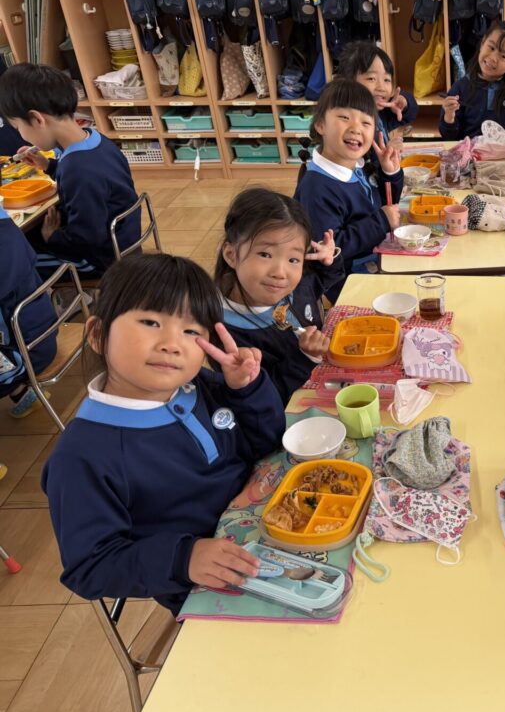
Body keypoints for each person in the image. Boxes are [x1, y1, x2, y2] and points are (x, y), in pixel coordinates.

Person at [41, 254, 285, 614]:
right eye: (151, 322)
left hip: (270, 524)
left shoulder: (200, 385)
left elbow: (266, 443)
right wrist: (182, 559)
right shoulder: (82, 456)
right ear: (97, 335)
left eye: (191, 331)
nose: (173, 344)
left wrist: (246, 390)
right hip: (208, 583)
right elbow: (89, 567)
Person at [0, 63, 138, 278]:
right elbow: (89, 186)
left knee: (20, 264)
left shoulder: (77, 169)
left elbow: (86, 238)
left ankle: (66, 294)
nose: (21, 135)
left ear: (37, 119)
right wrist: (48, 166)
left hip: (99, 261)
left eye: (18, 128)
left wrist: (53, 237)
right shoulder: (95, 140)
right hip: (122, 242)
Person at [216, 187, 343, 403]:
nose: (280, 273)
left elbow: (322, 279)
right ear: (231, 255)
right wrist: (305, 357)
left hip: (329, 378)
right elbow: (261, 396)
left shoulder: (295, 286)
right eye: (265, 254)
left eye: (293, 259)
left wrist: (329, 260)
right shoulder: (226, 333)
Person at [294, 80, 402, 296]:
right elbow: (329, 248)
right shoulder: (316, 187)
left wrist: (389, 173)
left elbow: (388, 204)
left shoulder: (358, 166)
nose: (356, 128)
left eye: (366, 122)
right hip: (348, 280)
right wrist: (381, 221)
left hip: (377, 257)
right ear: (320, 125)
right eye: (344, 118)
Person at [439, 20, 505, 139]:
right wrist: (449, 116)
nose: (493, 58)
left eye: (503, 56)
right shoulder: (460, 87)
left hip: (504, 150)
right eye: (491, 48)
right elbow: (448, 136)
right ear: (482, 43)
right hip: (472, 150)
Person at [0, 202, 57, 418]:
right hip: (42, 336)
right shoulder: (7, 227)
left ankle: (16, 386)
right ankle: (20, 392)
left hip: (24, 356)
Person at [335, 41, 418, 146]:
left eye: (386, 80)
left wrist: (404, 103)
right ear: (348, 82)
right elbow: (353, 153)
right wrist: (386, 152)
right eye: (371, 78)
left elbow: (410, 113)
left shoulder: (379, 113)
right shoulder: (345, 124)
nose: (381, 87)